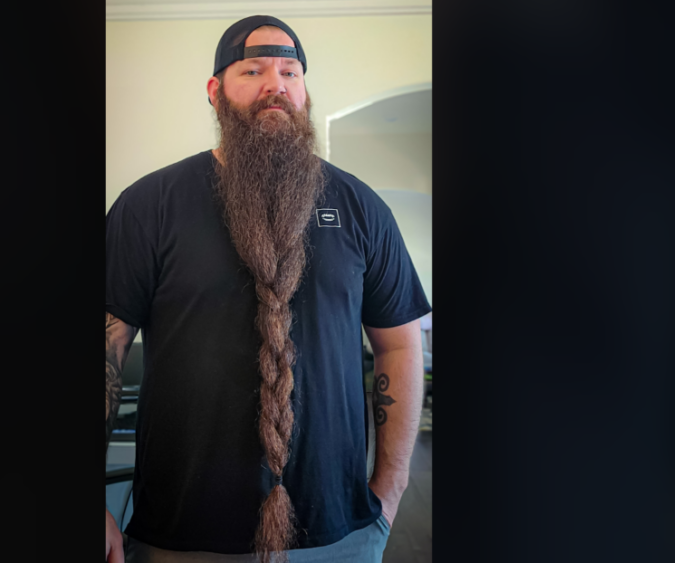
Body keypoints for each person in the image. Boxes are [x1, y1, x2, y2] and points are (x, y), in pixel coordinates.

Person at [105, 15, 431, 563]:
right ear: (215, 92)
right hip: (179, 536)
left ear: (304, 91)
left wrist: (390, 492)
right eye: (252, 69)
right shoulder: (149, 206)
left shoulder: (360, 208)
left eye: (290, 71)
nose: (275, 84)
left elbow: (398, 344)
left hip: (340, 536)